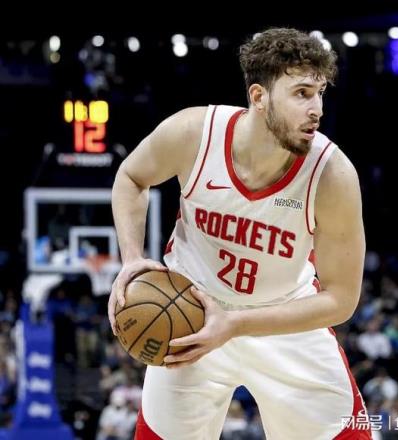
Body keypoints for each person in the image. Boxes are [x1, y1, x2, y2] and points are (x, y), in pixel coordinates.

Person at [108, 27, 371, 439]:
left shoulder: (332, 175)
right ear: (258, 96)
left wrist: (235, 323)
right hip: (190, 318)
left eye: (320, 93)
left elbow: (341, 299)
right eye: (302, 93)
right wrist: (131, 259)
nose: (316, 109)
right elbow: (131, 177)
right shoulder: (195, 134)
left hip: (285, 323)